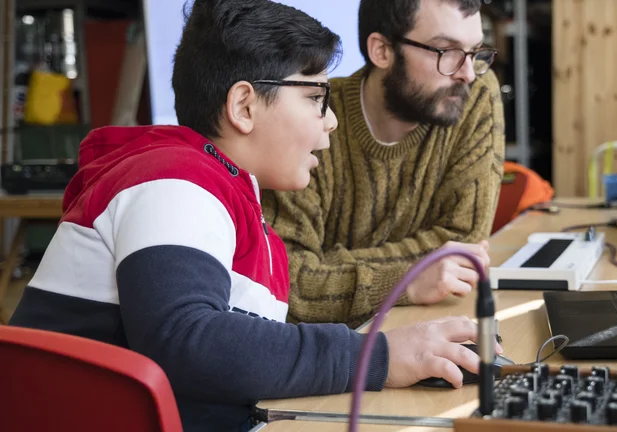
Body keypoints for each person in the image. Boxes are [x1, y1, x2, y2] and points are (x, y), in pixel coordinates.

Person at [9, 1, 501, 431]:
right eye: (315, 98)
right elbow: (186, 340)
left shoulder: (228, 199)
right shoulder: (173, 180)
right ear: (244, 105)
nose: (330, 120)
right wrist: (380, 356)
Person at [262, 0, 506, 328]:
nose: (467, 73)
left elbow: (464, 247)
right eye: (446, 51)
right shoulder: (313, 118)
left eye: (475, 52)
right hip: (332, 353)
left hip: (415, 325)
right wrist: (405, 279)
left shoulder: (473, 94)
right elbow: (292, 281)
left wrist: (331, 270)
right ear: (382, 51)